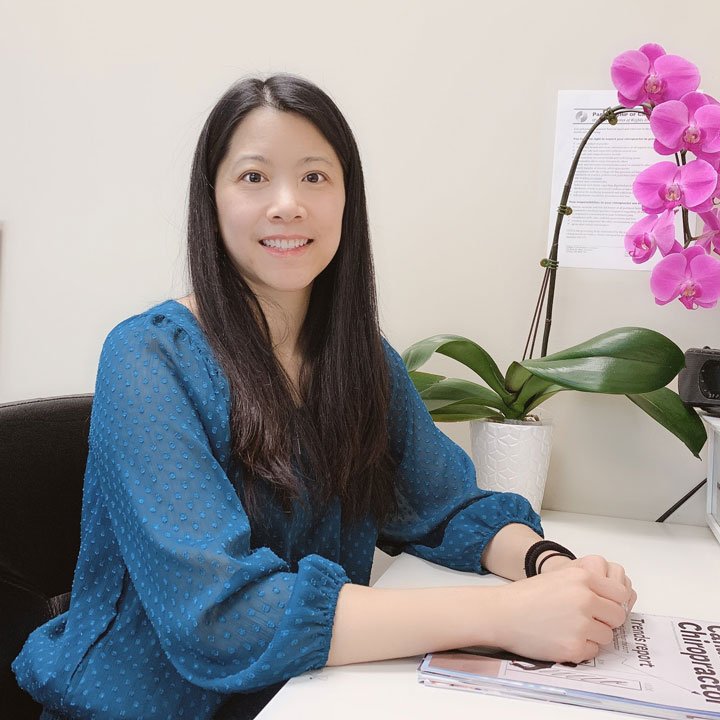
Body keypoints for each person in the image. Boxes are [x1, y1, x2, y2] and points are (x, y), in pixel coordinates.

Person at [13, 74, 636, 720]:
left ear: (346, 199)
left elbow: (444, 505)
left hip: (304, 692)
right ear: (212, 199)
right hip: (147, 706)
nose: (287, 204)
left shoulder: (358, 358)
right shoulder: (147, 357)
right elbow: (220, 617)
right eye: (254, 177)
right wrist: (506, 615)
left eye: (314, 176)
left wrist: (551, 569)